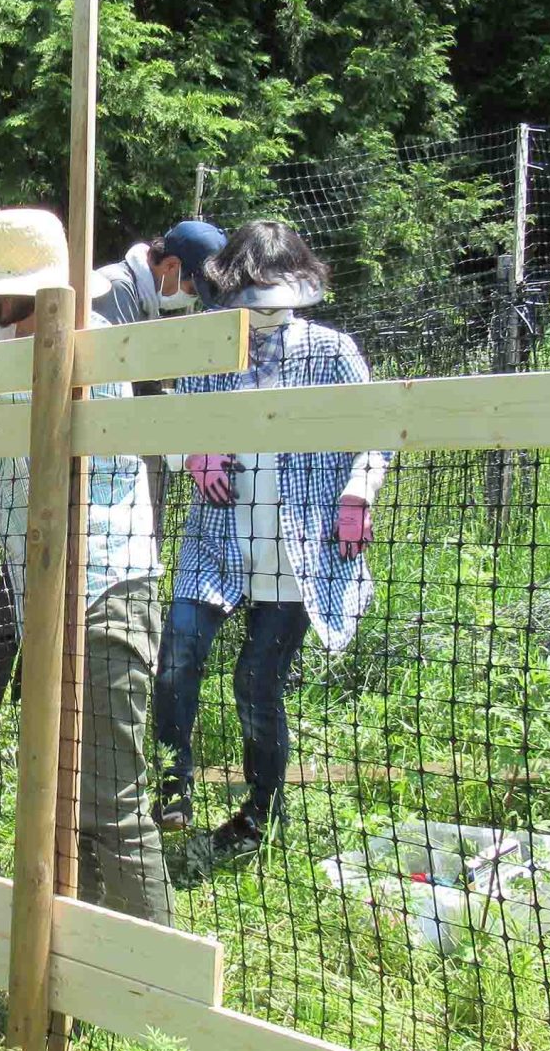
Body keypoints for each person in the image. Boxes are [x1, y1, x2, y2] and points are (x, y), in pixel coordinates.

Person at [0, 209, 173, 923]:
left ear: (19, 295)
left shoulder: (77, 350)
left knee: (110, 798)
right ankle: (81, 950)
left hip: (103, 593)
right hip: (49, 597)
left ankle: (150, 969)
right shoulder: (17, 357)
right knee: (63, 795)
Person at [152, 220, 388, 860]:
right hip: (217, 540)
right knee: (176, 657)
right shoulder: (207, 349)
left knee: (256, 683)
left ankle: (261, 814)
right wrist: (191, 454)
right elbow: (171, 425)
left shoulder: (333, 351)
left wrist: (359, 492)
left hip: (298, 550)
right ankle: (171, 787)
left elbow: (379, 429)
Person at [0, 219, 229, 704]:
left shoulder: (122, 309)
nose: (192, 298)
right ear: (171, 267)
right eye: (194, 285)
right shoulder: (109, 302)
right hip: (57, 533)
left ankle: (2, 694)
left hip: (94, 551)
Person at [90, 219, 226, 327]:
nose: (192, 299)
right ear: (171, 266)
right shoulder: (118, 288)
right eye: (192, 290)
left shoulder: (143, 298)